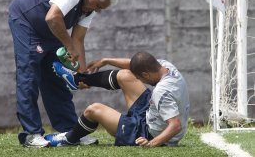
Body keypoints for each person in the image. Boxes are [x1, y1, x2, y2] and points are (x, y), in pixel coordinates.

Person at [8, 0, 119, 147]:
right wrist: (68, 46)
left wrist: (81, 73)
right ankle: (31, 134)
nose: (96, 11)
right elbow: (53, 17)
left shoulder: (89, 6)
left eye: (100, 9)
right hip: (26, 21)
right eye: (97, 6)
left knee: (54, 77)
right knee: (29, 76)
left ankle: (70, 132)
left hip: (52, 27)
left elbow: (78, 39)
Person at [45, 51, 190, 147]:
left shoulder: (161, 91)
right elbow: (135, 66)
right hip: (150, 113)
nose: (138, 79)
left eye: (140, 77)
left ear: (146, 74)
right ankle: (76, 80)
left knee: (93, 110)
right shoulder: (166, 67)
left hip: (148, 132)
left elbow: (175, 125)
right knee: (125, 75)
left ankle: (69, 139)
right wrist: (105, 60)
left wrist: (152, 143)